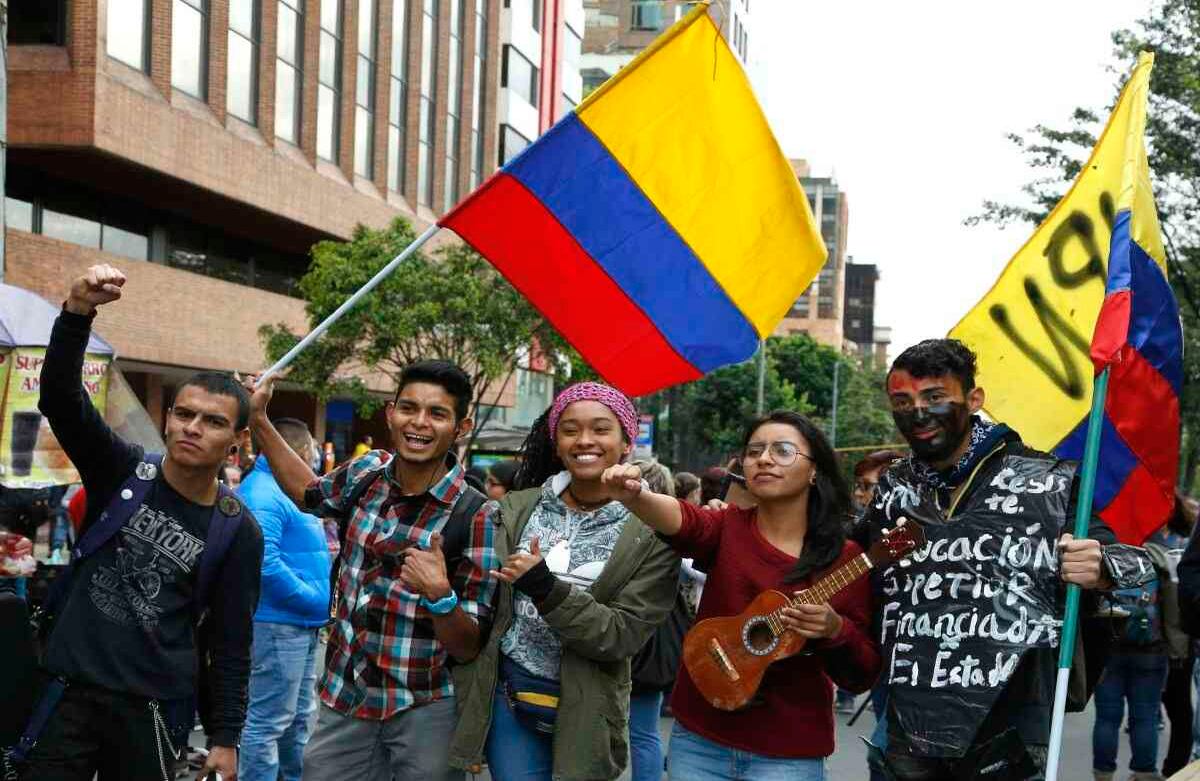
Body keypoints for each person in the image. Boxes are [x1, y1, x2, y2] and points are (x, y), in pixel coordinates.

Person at [862, 339, 1148, 781]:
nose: (917, 413)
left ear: (974, 400)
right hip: (907, 724)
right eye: (902, 401)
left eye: (935, 397)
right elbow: (852, 556)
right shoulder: (897, 486)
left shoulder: (1046, 480)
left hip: (1009, 725)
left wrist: (1101, 565)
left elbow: (1136, 561)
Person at [26, 263, 263, 781]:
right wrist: (77, 314)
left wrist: (226, 738)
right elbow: (61, 402)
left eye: (214, 421)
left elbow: (231, 642)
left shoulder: (236, 529)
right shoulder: (123, 470)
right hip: (68, 694)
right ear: (168, 417)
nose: (193, 428)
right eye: (184, 414)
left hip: (154, 711)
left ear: (238, 440)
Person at [246, 359, 495, 781]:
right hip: (344, 698)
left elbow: (469, 646)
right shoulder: (366, 473)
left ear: (461, 427)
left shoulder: (477, 515)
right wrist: (258, 418)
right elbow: (309, 493)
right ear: (390, 412)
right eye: (408, 408)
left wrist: (441, 595)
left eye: (437, 413)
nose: (419, 422)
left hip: (424, 708)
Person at [601, 410, 881, 781]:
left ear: (815, 470)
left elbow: (861, 674)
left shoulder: (843, 559)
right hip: (699, 740)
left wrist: (835, 630)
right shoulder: (727, 526)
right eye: (754, 451)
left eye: (782, 450)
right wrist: (636, 496)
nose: (763, 459)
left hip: (789, 754)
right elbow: (685, 520)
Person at [447, 382, 680, 781]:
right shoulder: (517, 508)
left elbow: (620, 635)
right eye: (570, 430)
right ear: (556, 443)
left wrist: (545, 587)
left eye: (601, 429)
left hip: (590, 707)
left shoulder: (653, 531)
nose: (584, 440)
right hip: (510, 698)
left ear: (627, 442)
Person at [237, 418, 332, 781]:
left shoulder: (291, 489)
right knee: (268, 723)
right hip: (278, 623)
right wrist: (309, 598)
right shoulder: (262, 492)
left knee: (296, 719)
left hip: (298, 624)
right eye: (312, 448)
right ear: (298, 449)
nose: (316, 456)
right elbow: (263, 562)